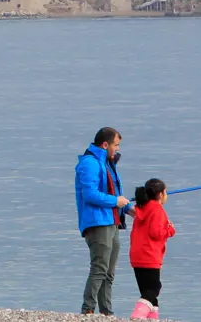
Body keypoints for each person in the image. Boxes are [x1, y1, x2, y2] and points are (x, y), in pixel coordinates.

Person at [75, 127, 132, 316]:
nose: (117, 149)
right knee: (99, 267)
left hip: (112, 221)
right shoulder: (90, 163)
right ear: (105, 144)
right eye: (116, 145)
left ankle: (106, 312)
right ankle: (88, 310)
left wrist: (127, 208)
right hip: (97, 223)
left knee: (109, 272)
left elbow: (113, 192)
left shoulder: (107, 163)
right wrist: (116, 201)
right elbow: (89, 194)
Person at [130, 179, 176, 320]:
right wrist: (170, 229)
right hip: (150, 255)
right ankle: (137, 316)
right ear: (161, 195)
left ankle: (151, 318)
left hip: (137, 255)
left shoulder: (142, 208)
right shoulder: (157, 209)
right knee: (154, 288)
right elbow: (156, 233)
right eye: (165, 192)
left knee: (147, 290)